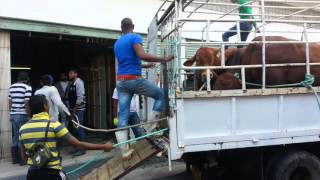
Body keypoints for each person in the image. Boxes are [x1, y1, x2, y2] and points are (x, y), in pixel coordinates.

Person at [113, 17, 173, 159]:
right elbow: (142, 55)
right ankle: (149, 128)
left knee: (123, 115)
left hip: (121, 82)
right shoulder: (134, 37)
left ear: (121, 28)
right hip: (133, 80)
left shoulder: (117, 43)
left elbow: (128, 61)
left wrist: (145, 66)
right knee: (160, 95)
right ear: (132, 26)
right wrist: (163, 59)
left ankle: (124, 151)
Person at [19, 95, 113, 180]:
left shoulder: (22, 129)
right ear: (45, 106)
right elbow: (78, 144)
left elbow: (24, 157)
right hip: (52, 175)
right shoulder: (55, 125)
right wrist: (103, 146)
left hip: (32, 174)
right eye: (48, 104)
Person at [8, 71, 32, 165]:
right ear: (26, 79)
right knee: (22, 137)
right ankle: (22, 160)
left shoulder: (11, 87)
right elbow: (27, 103)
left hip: (13, 114)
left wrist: (11, 113)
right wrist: (29, 115)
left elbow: (10, 102)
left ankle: (15, 159)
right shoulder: (27, 87)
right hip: (22, 115)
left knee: (15, 136)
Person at [67, 69, 86, 156]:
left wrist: (74, 109)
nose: (69, 75)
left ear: (76, 73)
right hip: (73, 109)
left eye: (71, 73)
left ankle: (82, 149)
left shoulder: (79, 83)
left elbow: (80, 97)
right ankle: (77, 147)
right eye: (69, 73)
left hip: (78, 109)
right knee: (75, 129)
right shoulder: (72, 83)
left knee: (79, 129)